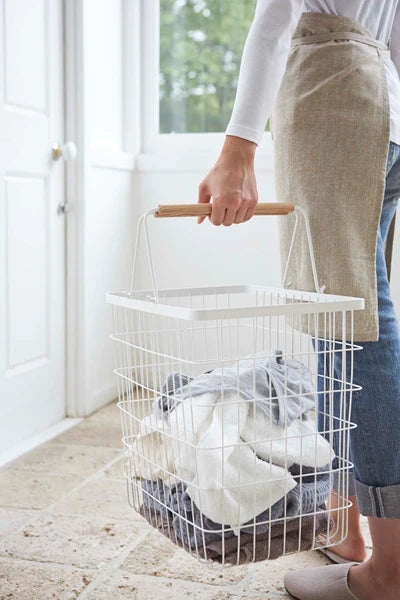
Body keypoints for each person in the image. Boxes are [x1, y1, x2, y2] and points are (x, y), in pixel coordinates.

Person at [197, 2, 400, 600]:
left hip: (333, 94)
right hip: (382, 104)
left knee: (353, 325)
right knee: (343, 320)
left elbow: (274, 21)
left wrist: (238, 148)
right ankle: (346, 524)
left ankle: (388, 571)